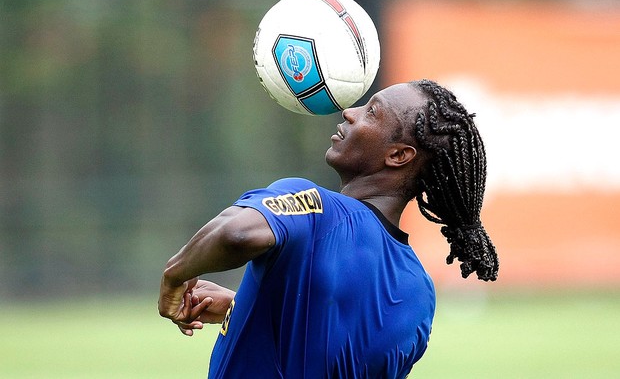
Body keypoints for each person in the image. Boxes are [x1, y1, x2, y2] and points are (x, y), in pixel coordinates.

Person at [158, 79, 499, 378]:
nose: (351, 111)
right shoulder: (419, 294)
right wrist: (247, 306)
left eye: (372, 113)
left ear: (398, 155)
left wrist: (175, 275)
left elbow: (237, 234)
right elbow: (334, 350)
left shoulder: (314, 207)